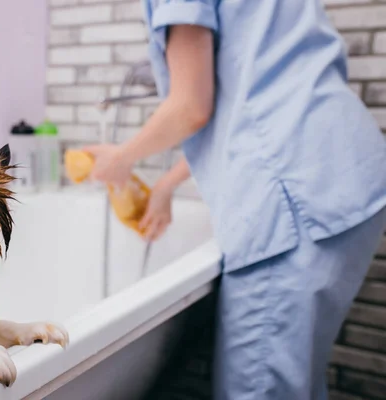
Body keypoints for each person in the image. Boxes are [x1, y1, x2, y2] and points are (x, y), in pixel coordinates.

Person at [84, 1, 386, 399]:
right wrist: (167, 184)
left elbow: (190, 107)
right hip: (344, 174)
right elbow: (249, 94)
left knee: (262, 389)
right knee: (295, 382)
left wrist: (121, 158)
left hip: (294, 200)